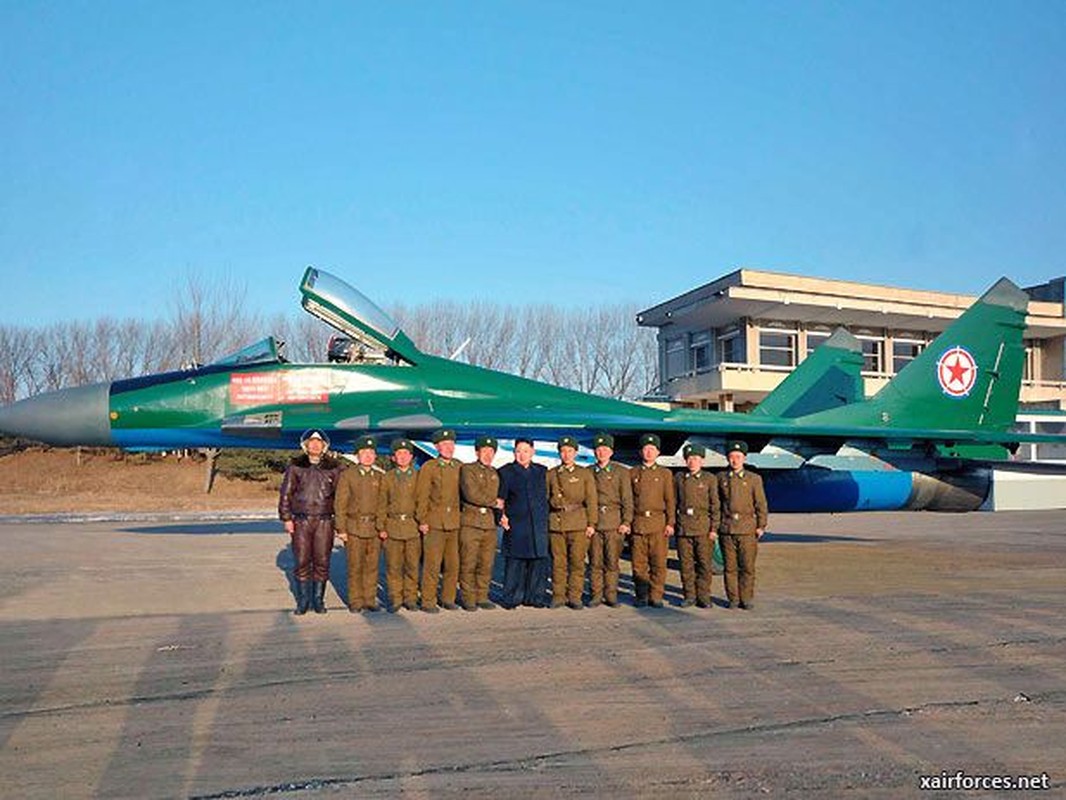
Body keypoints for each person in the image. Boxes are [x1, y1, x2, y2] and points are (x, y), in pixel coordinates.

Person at [278, 429, 345, 615]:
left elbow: (341, 497)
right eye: (311, 442)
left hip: (325, 521)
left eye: (319, 442)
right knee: (301, 561)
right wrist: (286, 518)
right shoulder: (295, 467)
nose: (315, 445)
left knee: (322, 560)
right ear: (305, 445)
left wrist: (340, 523)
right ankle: (303, 601)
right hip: (302, 520)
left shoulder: (334, 467)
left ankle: (318, 600)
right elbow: (286, 494)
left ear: (325, 445)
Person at [496, 437, 551, 609]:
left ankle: (535, 597)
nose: (522, 455)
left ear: (533, 452)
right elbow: (500, 499)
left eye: (526, 451)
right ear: (514, 453)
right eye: (518, 451)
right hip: (517, 524)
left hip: (538, 524)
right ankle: (511, 598)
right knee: (515, 563)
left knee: (537, 562)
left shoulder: (542, 471)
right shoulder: (506, 472)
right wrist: (501, 515)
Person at [334, 435, 384, 613]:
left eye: (371, 453)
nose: (368, 456)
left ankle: (370, 599)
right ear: (357, 456)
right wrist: (341, 528)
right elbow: (340, 504)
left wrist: (382, 527)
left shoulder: (380, 476)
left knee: (372, 566)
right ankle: (355, 600)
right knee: (355, 566)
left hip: (374, 528)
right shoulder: (348, 475)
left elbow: (383, 504)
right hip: (354, 527)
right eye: (364, 453)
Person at [547, 435, 598, 609]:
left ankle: (575, 596)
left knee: (577, 562)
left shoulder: (584, 474)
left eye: (570, 451)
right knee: (558, 562)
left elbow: (591, 500)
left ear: (576, 453)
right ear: (559, 453)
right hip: (557, 523)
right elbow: (546, 499)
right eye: (563, 451)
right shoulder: (552, 474)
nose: (566, 455)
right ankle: (558, 595)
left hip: (578, 523)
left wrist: (592, 524)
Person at [717, 440, 768, 610]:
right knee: (730, 568)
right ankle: (732, 599)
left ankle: (746, 598)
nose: (735, 460)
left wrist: (761, 525)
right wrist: (716, 527)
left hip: (747, 529)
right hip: (727, 528)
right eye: (731, 457)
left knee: (747, 566)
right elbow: (717, 504)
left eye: (738, 457)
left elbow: (761, 503)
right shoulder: (721, 478)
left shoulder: (754, 479)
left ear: (744, 458)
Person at [416, 429, 462, 613]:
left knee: (453, 564)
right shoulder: (429, 467)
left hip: (454, 522)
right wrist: (422, 519)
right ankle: (428, 600)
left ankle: (448, 598)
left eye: (451, 444)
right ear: (436, 447)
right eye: (444, 445)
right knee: (432, 564)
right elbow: (422, 496)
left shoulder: (459, 466)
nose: (448, 448)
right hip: (434, 522)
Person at [630, 433, 675, 608]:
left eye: (652, 449)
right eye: (646, 449)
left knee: (658, 563)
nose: (649, 452)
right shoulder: (633, 473)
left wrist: (670, 523)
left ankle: (656, 595)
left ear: (658, 452)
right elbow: (629, 500)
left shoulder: (665, 473)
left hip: (658, 523)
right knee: (638, 564)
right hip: (639, 523)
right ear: (641, 452)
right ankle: (641, 595)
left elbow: (670, 500)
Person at [588, 433, 633, 608]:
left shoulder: (621, 472)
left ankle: (611, 595)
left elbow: (627, 499)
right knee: (595, 561)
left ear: (611, 452)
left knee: (612, 562)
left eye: (605, 449)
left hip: (614, 523)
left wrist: (626, 521)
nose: (601, 453)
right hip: (595, 522)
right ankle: (596, 595)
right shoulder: (589, 471)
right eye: (598, 450)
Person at [376, 438, 421, 612]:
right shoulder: (387, 478)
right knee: (393, 566)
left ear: (411, 457)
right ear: (393, 458)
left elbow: (423, 501)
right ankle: (395, 598)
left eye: (406, 454)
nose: (402, 457)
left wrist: (422, 522)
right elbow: (381, 503)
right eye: (398, 454)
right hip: (393, 525)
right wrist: (381, 526)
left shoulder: (418, 477)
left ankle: (410, 598)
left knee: (412, 565)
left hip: (412, 526)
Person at [675, 444, 720, 608]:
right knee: (686, 565)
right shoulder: (679, 478)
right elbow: (674, 503)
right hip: (684, 529)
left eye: (696, 459)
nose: (692, 462)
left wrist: (714, 529)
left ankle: (704, 597)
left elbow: (715, 505)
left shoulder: (709, 479)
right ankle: (689, 596)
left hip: (703, 528)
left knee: (704, 564)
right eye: (689, 459)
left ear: (702, 460)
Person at [458, 436, 501, 611]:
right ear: (477, 452)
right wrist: (494, 502)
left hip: (489, 525)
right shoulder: (468, 470)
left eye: (491, 452)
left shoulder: (494, 473)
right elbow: (471, 494)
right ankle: (468, 598)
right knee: (468, 562)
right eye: (484, 451)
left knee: (486, 562)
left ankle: (482, 595)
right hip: (471, 523)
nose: (488, 454)